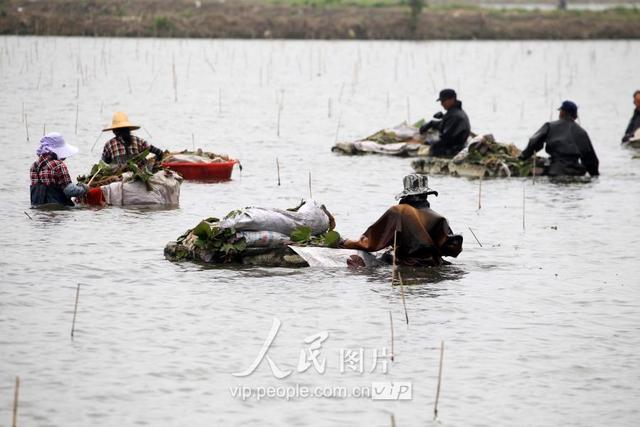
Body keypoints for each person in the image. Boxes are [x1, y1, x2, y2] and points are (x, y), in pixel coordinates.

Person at [341, 174, 462, 266]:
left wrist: (345, 242)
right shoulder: (439, 218)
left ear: (406, 195)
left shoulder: (399, 211)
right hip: (435, 265)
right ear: (426, 194)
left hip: (406, 265)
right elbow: (452, 249)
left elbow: (371, 243)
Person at [519, 101, 599, 177]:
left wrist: (522, 157)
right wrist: (595, 174)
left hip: (555, 170)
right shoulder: (582, 133)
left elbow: (534, 143)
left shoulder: (550, 126)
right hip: (577, 172)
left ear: (562, 112)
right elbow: (591, 160)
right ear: (575, 116)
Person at [30, 132, 88, 207]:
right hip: (59, 208)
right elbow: (70, 191)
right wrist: (84, 188)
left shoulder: (34, 166)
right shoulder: (58, 165)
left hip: (38, 210)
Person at [418, 88, 471, 158]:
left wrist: (428, 141)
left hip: (453, 150)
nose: (441, 104)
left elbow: (445, 139)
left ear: (451, 99)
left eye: (443, 101)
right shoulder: (455, 112)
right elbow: (445, 125)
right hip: (456, 145)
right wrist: (431, 123)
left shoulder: (455, 116)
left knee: (433, 149)